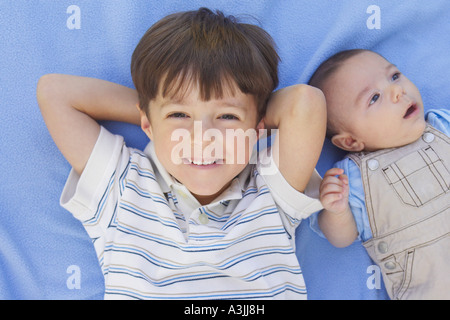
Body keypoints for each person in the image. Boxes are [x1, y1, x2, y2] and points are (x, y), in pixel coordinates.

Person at [37, 8, 326, 299]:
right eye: (179, 114)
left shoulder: (270, 192)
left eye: (227, 117)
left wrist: (171, 114)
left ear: (258, 127)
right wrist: (155, 113)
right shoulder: (122, 188)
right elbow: (55, 93)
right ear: (147, 123)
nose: (202, 138)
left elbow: (306, 103)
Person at [308, 49, 449, 300]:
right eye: (374, 98)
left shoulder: (442, 126)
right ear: (351, 141)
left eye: (394, 76)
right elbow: (342, 238)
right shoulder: (353, 179)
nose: (398, 91)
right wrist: (337, 210)